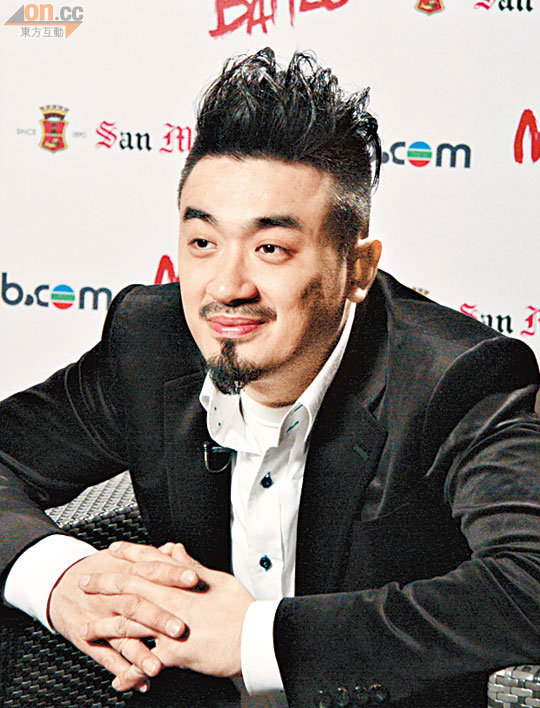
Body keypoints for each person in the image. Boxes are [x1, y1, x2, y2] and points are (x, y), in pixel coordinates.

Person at [1, 47, 540, 708]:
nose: (227, 286)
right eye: (204, 243)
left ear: (357, 269)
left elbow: (530, 581)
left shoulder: (455, 376)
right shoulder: (150, 341)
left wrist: (257, 639)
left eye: (271, 249)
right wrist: (60, 580)